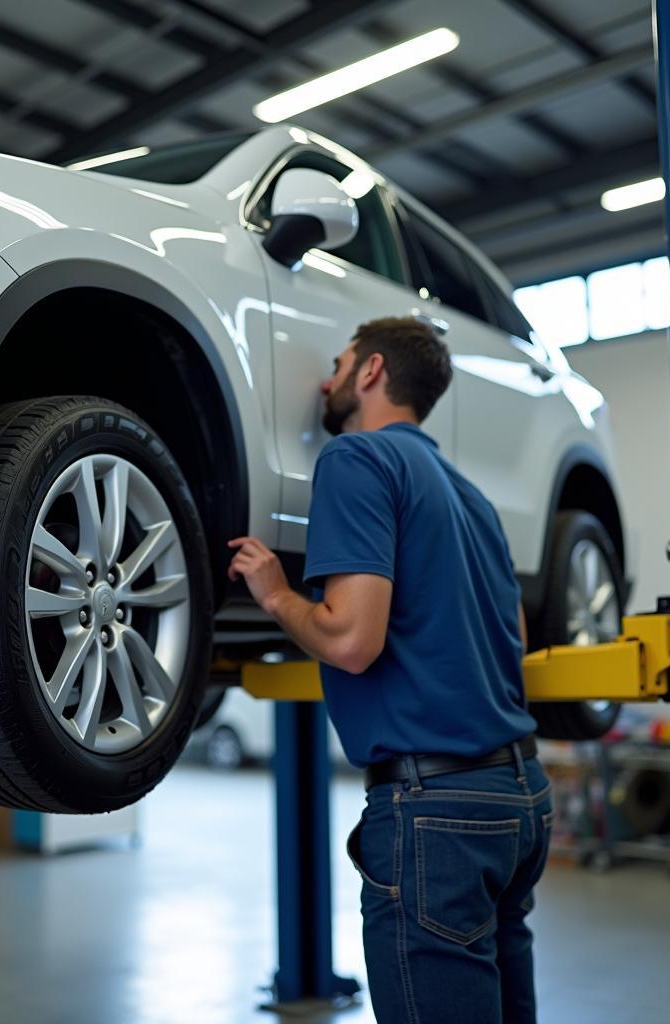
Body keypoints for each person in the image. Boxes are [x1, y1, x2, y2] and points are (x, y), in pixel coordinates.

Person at [227, 316, 551, 1024]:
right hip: (520, 797)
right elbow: (512, 638)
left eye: (338, 363)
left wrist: (278, 594)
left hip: (439, 813)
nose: (325, 380)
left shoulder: (356, 461)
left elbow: (351, 640)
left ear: (370, 371)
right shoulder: (473, 498)